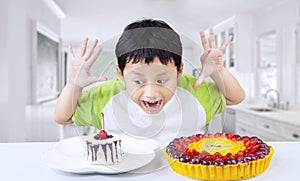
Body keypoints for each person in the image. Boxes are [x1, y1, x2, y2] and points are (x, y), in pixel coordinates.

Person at [54, 19, 245, 144]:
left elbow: (236, 97)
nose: (151, 93)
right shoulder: (106, 95)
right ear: (120, 73)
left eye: (162, 79)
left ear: (179, 70)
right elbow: (62, 117)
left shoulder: (194, 90)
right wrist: (74, 85)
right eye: (138, 81)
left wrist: (218, 71)